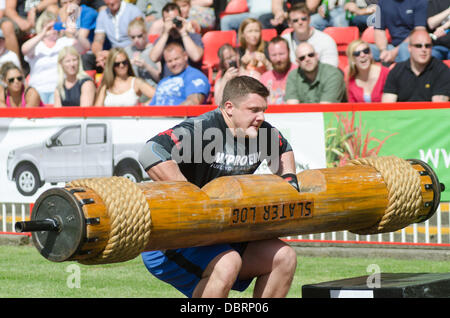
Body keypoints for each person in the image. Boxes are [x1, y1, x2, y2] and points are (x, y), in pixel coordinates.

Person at [138, 75, 298, 298]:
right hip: (171, 240)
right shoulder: (203, 128)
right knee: (228, 263)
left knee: (284, 257)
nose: (261, 117)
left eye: (264, 110)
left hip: (219, 235)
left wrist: (289, 178)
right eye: (253, 109)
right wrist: (190, 196)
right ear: (229, 107)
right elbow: (151, 151)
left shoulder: (263, 134)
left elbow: (283, 147)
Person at [21, 9, 90, 104]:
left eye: (54, 26)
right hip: (37, 89)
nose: (52, 29)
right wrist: (42, 34)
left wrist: (75, 33)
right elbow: (24, 49)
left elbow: (85, 47)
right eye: (49, 27)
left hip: (58, 89)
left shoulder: (64, 42)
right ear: (41, 27)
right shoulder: (37, 45)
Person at [382, 29, 450, 103]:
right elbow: (387, 105)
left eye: (427, 46)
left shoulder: (442, 71)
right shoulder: (396, 71)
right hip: (402, 114)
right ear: (409, 48)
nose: (423, 49)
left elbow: (438, 107)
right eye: (418, 46)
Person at [149, 2, 203, 78]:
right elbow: (153, 58)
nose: (172, 23)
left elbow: (196, 57)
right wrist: (165, 33)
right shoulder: (162, 40)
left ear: (181, 17)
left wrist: (183, 32)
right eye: (168, 20)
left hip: (190, 80)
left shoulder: (192, 36)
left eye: (175, 19)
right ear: (163, 22)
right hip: (170, 81)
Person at [370, 0, 428, 65]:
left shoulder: (419, 1)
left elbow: (419, 31)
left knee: (403, 49)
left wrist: (394, 52)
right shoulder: (382, 2)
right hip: (391, 47)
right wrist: (383, 50)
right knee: (364, 50)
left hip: (412, 46)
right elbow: (379, 30)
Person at [282, 3, 338, 67]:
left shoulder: (326, 40)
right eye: (295, 20)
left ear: (309, 19)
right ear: (289, 23)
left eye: (303, 19)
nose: (300, 22)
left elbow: (331, 70)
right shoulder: (284, 42)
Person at [92, 0, 144, 69]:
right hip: (113, 54)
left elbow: (139, 40)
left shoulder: (133, 11)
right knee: (87, 58)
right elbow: (98, 41)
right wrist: (99, 56)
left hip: (134, 51)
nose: (111, 2)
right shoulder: (103, 14)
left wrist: (113, 54)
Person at [124, 18, 161, 102]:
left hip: (151, 89)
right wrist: (127, 65)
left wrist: (146, 66)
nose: (136, 40)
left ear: (146, 34)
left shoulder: (154, 50)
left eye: (139, 36)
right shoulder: (127, 51)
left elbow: (160, 78)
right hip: (132, 91)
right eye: (133, 37)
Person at [57, 0, 98, 71]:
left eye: (71, 1)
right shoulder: (62, 14)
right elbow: (59, 37)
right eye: (64, 3)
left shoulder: (88, 13)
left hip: (88, 52)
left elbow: (81, 39)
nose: (68, 5)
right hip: (71, 51)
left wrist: (65, 22)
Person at [260, 36, 297, 104]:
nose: (278, 59)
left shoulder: (299, 74)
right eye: (274, 55)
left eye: (281, 54)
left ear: (289, 52)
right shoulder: (264, 78)